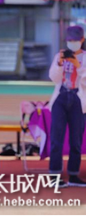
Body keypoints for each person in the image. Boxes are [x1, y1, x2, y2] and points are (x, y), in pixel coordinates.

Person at [48, 25, 86, 187]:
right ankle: (55, 175)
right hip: (61, 97)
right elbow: (53, 78)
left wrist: (78, 65)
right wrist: (59, 63)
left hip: (78, 98)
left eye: (76, 40)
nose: (73, 43)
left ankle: (73, 174)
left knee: (76, 139)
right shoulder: (60, 55)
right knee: (56, 138)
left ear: (82, 40)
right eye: (70, 40)